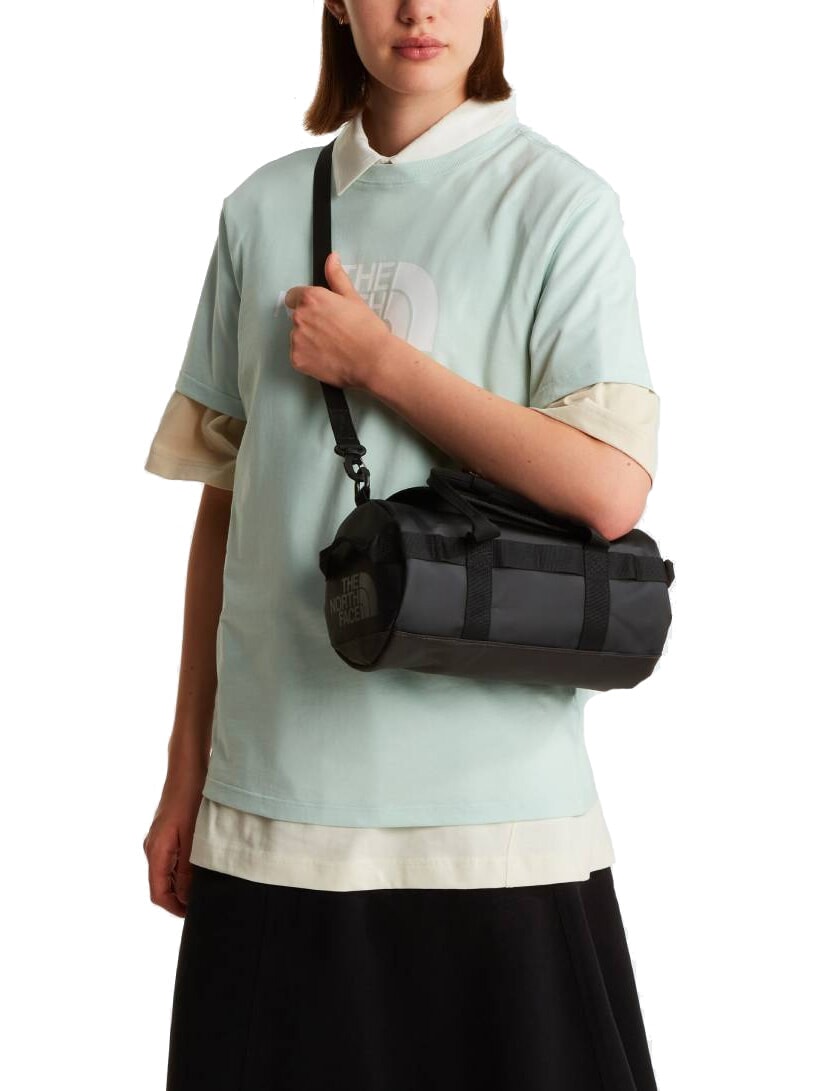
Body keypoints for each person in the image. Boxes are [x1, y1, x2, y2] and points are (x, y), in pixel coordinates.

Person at [143, 3, 662, 1088]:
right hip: (273, 808)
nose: (418, 9)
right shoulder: (262, 208)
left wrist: (382, 365)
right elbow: (230, 505)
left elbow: (609, 489)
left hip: (494, 819)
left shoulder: (558, 203)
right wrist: (187, 768)